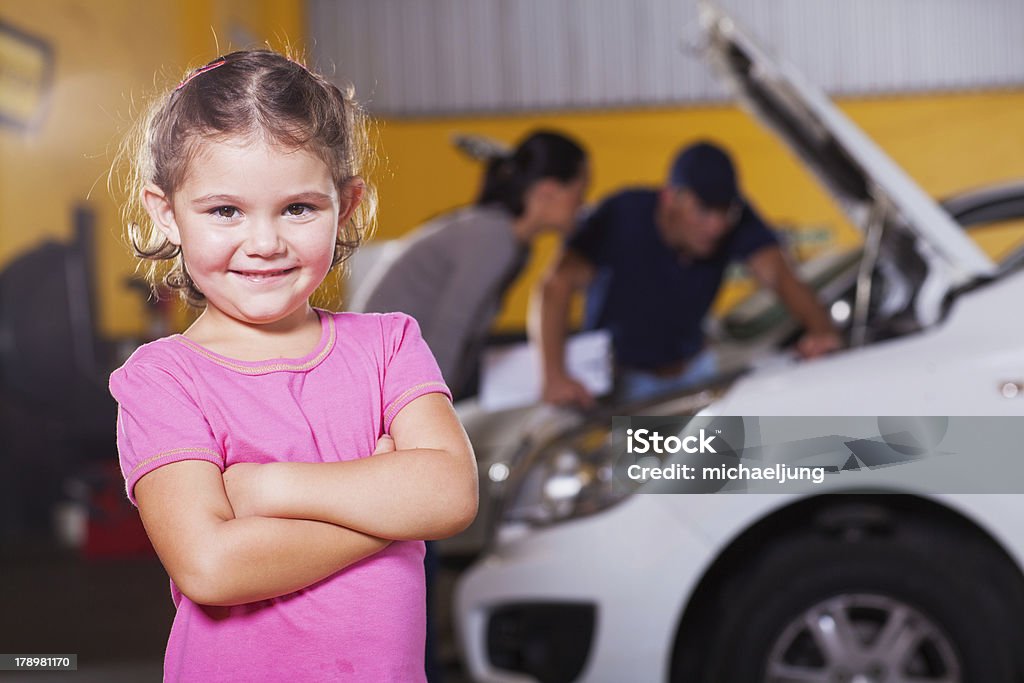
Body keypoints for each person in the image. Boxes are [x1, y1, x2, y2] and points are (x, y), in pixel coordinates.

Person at [108, 50, 477, 682]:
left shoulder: (390, 345)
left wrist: (268, 489)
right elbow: (213, 566)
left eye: (298, 208)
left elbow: (450, 494)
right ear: (165, 212)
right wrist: (388, 510)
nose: (265, 242)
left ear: (348, 204)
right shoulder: (162, 379)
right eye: (225, 210)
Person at [532, 140, 841, 406]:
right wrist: (555, 376)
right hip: (623, 382)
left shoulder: (737, 220)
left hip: (696, 373)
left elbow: (779, 274)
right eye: (703, 211)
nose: (717, 226)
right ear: (670, 197)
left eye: (726, 212)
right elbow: (556, 284)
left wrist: (821, 330)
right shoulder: (622, 215)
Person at [349, 130, 589, 399]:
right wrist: (436, 408)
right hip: (373, 373)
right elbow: (452, 328)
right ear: (549, 191)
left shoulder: (512, 243)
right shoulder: (494, 237)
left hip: (393, 371)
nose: (582, 205)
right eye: (579, 192)